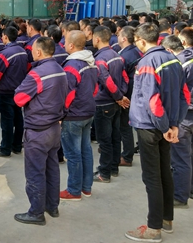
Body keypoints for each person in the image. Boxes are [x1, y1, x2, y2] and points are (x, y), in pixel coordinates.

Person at [125, 24, 189, 243]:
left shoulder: (147, 62)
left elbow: (152, 100)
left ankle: (153, 228)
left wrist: (164, 127)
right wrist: (174, 125)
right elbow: (184, 95)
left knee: (152, 176)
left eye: (136, 40)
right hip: (165, 125)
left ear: (142, 41)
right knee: (164, 172)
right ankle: (166, 219)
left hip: (150, 126)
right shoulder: (173, 59)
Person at [13, 37, 67, 224]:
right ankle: (52, 206)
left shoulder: (37, 74)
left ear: (38, 52)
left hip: (38, 130)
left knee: (35, 172)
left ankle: (36, 212)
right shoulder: (60, 69)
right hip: (54, 127)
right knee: (52, 169)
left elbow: (19, 98)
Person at [162, 33, 193, 206]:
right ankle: (192, 188)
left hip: (185, 116)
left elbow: (174, 92)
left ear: (169, 50)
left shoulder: (179, 64)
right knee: (190, 154)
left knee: (180, 158)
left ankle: (180, 196)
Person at [59, 31, 98, 201]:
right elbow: (95, 88)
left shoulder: (71, 66)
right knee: (85, 150)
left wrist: (61, 113)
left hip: (74, 116)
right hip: (88, 111)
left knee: (73, 154)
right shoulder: (90, 62)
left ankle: (74, 190)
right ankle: (86, 187)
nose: (63, 44)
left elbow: (67, 94)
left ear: (71, 45)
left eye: (66, 41)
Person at [92, 26, 129, 183]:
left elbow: (106, 81)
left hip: (103, 103)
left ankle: (104, 172)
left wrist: (118, 96)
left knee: (105, 140)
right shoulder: (117, 55)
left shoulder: (100, 59)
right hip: (115, 102)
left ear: (97, 38)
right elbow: (125, 78)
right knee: (115, 136)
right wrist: (121, 96)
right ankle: (114, 167)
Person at [0, 26, 28, 157]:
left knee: (7, 121)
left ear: (5, 36)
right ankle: (17, 145)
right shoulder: (22, 51)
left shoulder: (5, 54)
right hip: (19, 90)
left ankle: (5, 148)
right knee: (18, 118)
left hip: (5, 91)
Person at [117, 26, 143, 167]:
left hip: (127, 95)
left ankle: (127, 156)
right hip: (136, 93)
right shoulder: (137, 51)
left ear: (124, 38)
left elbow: (123, 78)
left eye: (119, 35)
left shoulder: (125, 56)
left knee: (125, 126)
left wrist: (120, 96)